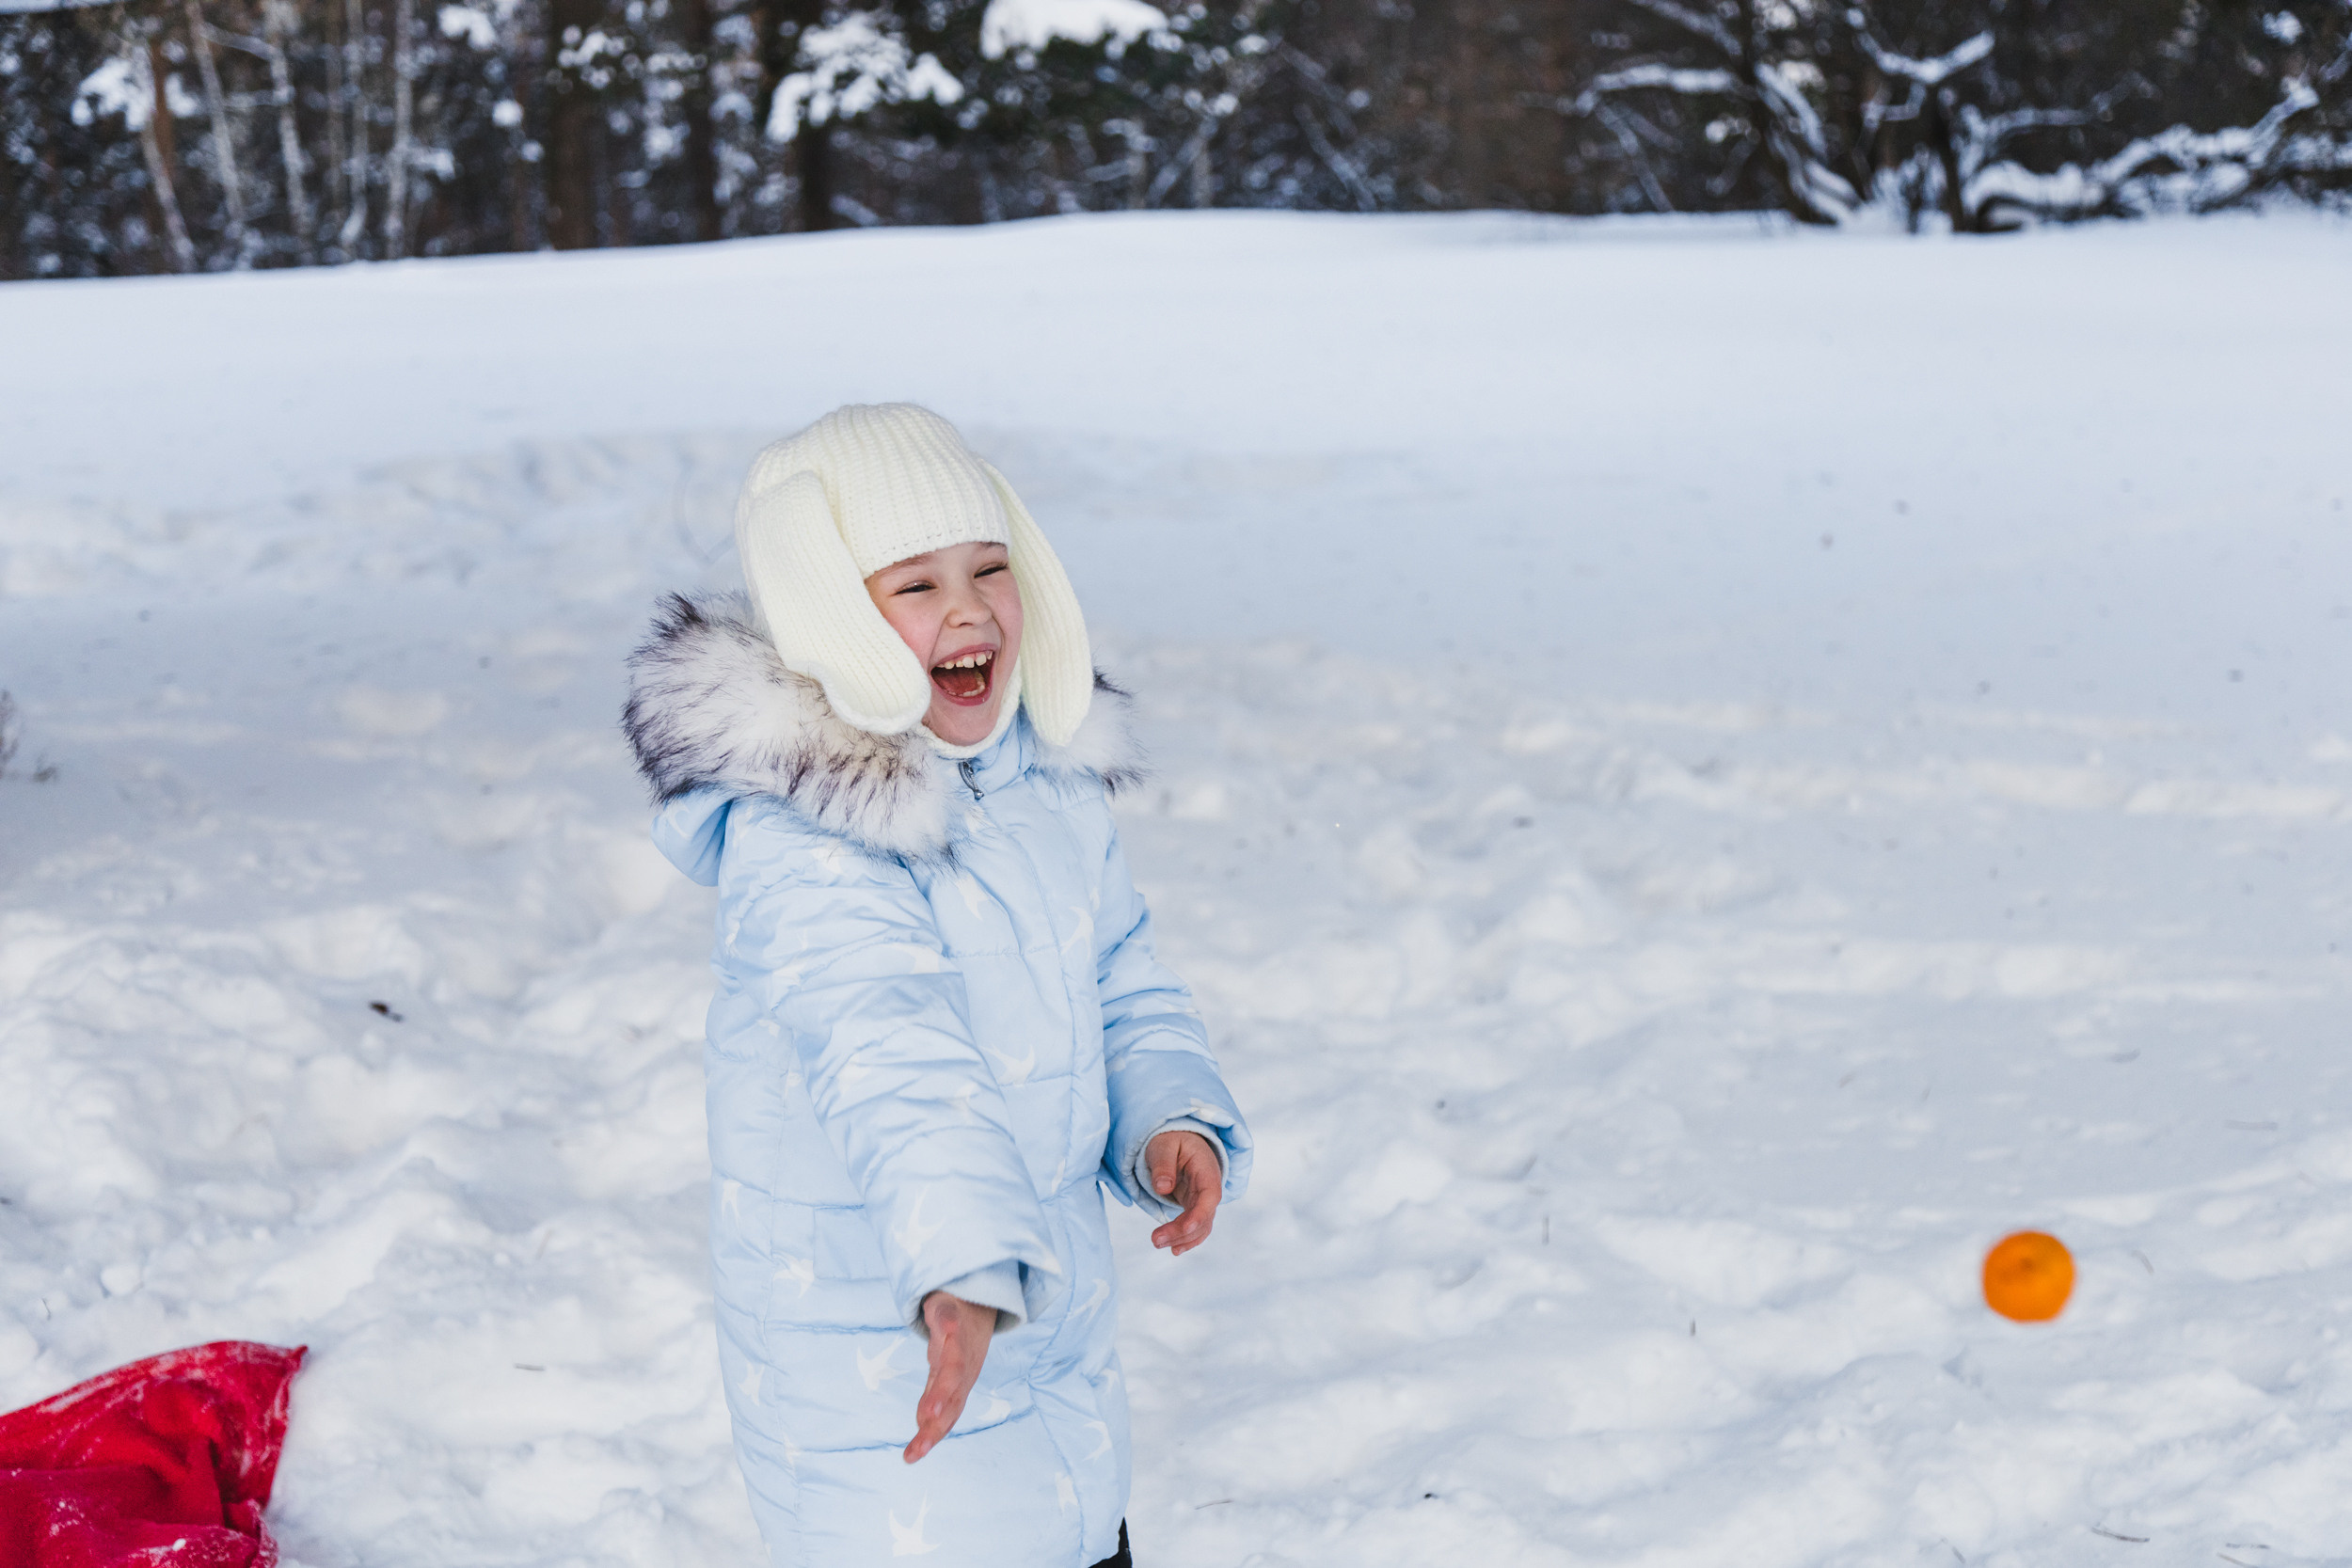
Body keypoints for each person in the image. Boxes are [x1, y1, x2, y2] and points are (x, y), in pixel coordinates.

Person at [622, 404, 1252, 1568]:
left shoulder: (1041, 782)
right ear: (825, 614)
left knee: (1073, 1523)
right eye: (912, 586)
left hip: (1040, 1325)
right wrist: (960, 1266)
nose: (967, 608)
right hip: (885, 1360)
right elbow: (884, 1040)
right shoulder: (805, 834)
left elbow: (1116, 968)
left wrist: (1166, 1107)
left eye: (990, 568)